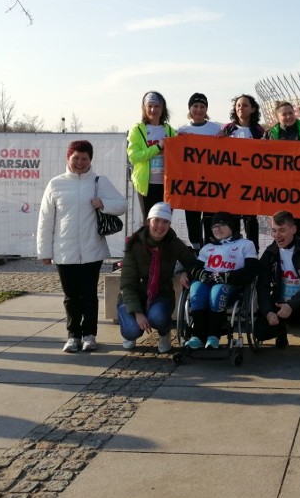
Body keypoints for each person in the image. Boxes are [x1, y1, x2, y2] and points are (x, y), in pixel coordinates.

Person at [37, 140, 128, 353]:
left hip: (92, 249)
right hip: (64, 250)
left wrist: (104, 203)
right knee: (71, 297)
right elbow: (45, 219)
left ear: (90, 160)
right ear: (68, 158)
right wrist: (45, 251)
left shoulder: (99, 181)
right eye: (75, 158)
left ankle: (89, 335)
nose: (80, 162)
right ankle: (73, 336)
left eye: (84, 158)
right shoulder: (56, 184)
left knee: (89, 295)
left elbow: (122, 204)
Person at [117, 202, 198, 353]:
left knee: (158, 318)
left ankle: (163, 332)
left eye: (165, 222)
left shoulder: (174, 243)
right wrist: (138, 312)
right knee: (132, 330)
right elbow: (127, 284)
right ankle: (130, 330)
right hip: (134, 295)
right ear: (149, 222)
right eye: (157, 221)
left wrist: (185, 272)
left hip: (162, 295)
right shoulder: (134, 245)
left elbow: (193, 263)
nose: (160, 226)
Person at [255, 210, 300, 358]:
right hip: (280, 303)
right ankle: (281, 333)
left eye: (282, 230)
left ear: (293, 230)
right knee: (260, 331)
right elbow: (262, 285)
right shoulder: (269, 253)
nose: (277, 235)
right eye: (274, 231)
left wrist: (292, 304)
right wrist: (268, 311)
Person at [186, 211, 258, 350]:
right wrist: (201, 273)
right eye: (214, 226)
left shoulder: (246, 244)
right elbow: (194, 268)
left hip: (230, 283)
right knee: (196, 290)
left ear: (231, 227)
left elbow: (251, 270)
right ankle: (198, 336)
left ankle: (214, 335)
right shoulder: (208, 247)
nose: (217, 229)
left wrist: (228, 276)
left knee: (217, 291)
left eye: (222, 225)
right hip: (208, 280)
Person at [263, 101, 300, 235]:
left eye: (291, 113)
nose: (289, 116)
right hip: (278, 188)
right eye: (284, 114)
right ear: (277, 117)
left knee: (298, 225)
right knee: (280, 224)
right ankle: (281, 253)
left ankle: (297, 253)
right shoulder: (269, 135)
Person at [219, 94, 264, 250]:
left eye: (245, 105)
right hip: (231, 181)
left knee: (251, 219)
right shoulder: (227, 129)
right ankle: (233, 250)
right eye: (238, 105)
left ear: (252, 109)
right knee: (233, 218)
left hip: (251, 181)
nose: (241, 108)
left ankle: (253, 250)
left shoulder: (259, 131)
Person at [178, 92, 221, 249]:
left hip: (211, 184)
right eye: (195, 106)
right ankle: (197, 250)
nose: (199, 109)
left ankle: (211, 250)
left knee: (210, 220)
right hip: (191, 184)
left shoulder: (215, 129)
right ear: (190, 109)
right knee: (192, 220)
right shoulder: (182, 130)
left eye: (202, 106)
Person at [127, 91, 177, 221]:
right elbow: (134, 157)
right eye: (149, 106)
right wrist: (157, 148)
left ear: (162, 108)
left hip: (166, 185)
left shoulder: (169, 130)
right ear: (144, 108)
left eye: (157, 106)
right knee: (150, 221)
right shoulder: (137, 130)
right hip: (147, 184)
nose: (153, 110)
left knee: (165, 220)